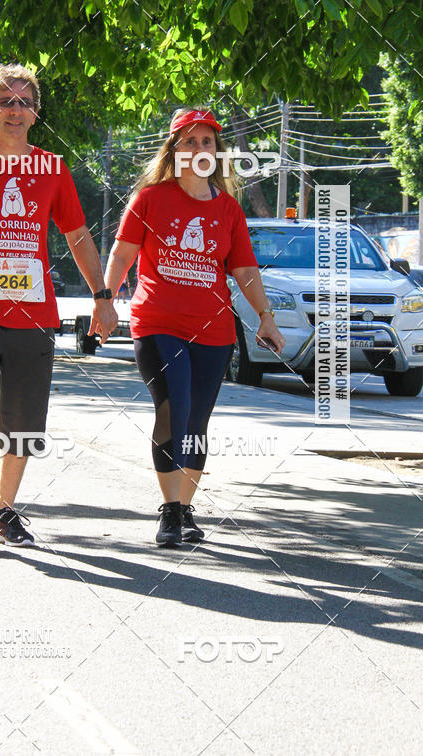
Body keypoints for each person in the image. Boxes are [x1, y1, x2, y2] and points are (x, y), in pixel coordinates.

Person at [0, 63, 118, 556]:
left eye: (25, 102)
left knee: (23, 422)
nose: (16, 109)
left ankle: (7, 509)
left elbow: (77, 235)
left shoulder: (52, 169)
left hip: (34, 314)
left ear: (35, 114)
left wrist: (102, 298)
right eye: (6, 101)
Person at [105, 107, 285, 548]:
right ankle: (169, 510)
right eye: (190, 142)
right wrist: (104, 301)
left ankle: (185, 508)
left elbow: (244, 270)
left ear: (217, 154)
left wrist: (266, 317)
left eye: (207, 142)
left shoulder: (227, 210)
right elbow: (122, 254)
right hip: (158, 323)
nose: (199, 149)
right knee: (174, 409)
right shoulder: (149, 199)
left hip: (214, 333)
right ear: (175, 150)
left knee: (197, 422)